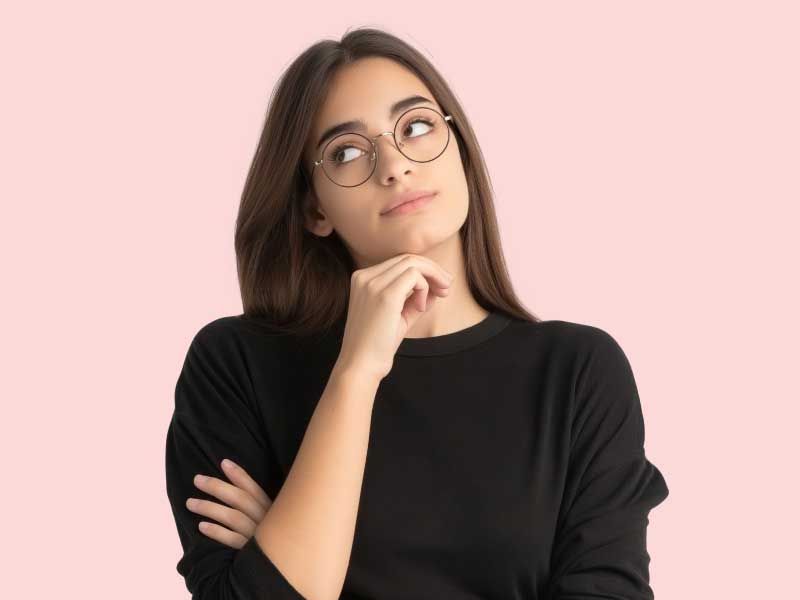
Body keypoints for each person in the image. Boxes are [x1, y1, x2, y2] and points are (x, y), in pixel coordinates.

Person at [164, 27, 669, 600]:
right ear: (314, 208)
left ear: (460, 150)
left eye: (418, 126)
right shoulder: (237, 366)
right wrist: (355, 374)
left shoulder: (576, 372)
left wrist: (291, 543)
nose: (396, 166)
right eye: (347, 152)